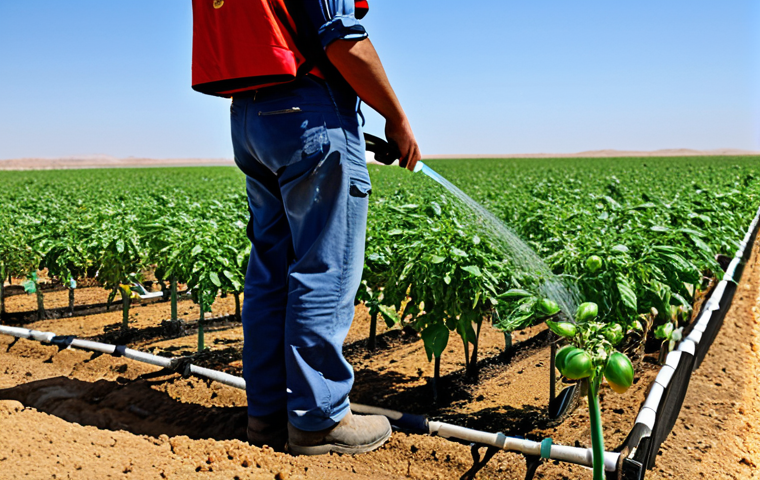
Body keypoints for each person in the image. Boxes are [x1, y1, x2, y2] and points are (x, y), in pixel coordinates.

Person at [191, 0, 421, 455]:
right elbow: (341, 39)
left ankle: (267, 415)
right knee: (325, 267)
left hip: (249, 118)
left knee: (270, 272)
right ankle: (320, 420)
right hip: (307, 114)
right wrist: (396, 118)